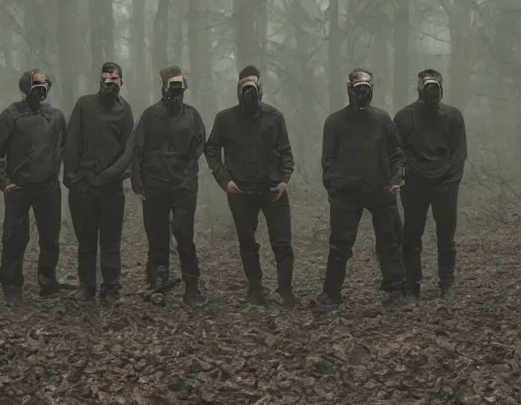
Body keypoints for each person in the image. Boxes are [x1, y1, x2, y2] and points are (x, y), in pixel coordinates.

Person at [99, 65, 206, 305]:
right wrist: (137, 183)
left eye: (180, 84)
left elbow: (199, 146)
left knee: (183, 232)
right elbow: (136, 150)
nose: (177, 89)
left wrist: (186, 169)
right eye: (173, 85)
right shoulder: (150, 116)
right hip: (155, 186)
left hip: (183, 187)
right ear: (164, 87)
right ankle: (157, 280)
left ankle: (192, 284)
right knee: (157, 235)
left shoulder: (192, 116)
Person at [205, 65, 296, 306]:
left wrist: (285, 179)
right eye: (245, 86)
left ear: (260, 90)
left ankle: (285, 290)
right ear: (238, 90)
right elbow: (211, 148)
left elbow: (286, 151)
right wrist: (225, 180)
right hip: (241, 190)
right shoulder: (225, 119)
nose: (249, 92)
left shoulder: (274, 117)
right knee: (247, 241)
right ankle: (255, 288)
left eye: (253, 86)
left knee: (282, 242)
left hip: (272, 190)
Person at [318, 68, 406, 308]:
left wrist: (395, 179)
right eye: (358, 87)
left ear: (372, 88)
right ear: (349, 88)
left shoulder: (382, 119)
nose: (362, 92)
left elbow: (396, 152)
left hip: (380, 189)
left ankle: (396, 289)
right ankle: (331, 292)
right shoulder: (335, 122)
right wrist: (333, 188)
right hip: (346, 193)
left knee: (390, 240)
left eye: (366, 87)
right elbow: (328, 160)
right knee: (339, 244)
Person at [0, 69, 66, 303]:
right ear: (25, 88)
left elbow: (65, 146)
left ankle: (48, 281)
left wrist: (57, 169)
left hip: (48, 185)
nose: (40, 90)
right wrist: (5, 182)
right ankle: (11, 285)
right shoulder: (10, 115)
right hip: (19, 188)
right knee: (15, 237)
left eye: (44, 86)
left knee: (50, 236)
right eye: (35, 85)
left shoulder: (56, 116)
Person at [63, 62, 133, 302]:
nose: (110, 84)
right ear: (100, 81)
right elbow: (71, 140)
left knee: (111, 241)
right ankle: (87, 286)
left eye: (115, 80)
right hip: (83, 185)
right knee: (86, 240)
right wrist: (70, 177)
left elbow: (128, 151)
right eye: (106, 80)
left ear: (121, 82)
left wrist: (112, 175)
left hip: (112, 188)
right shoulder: (84, 105)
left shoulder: (125, 111)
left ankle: (111, 287)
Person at [394, 69, 467, 299]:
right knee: (411, 236)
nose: (431, 90)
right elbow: (396, 150)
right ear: (419, 88)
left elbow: (459, 152)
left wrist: (451, 179)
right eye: (427, 85)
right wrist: (403, 173)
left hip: (444, 184)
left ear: (441, 87)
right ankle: (412, 285)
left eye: (435, 85)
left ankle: (447, 283)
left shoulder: (453, 116)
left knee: (446, 236)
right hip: (414, 184)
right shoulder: (405, 117)